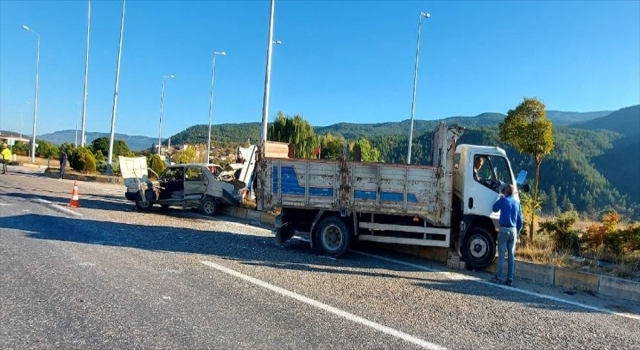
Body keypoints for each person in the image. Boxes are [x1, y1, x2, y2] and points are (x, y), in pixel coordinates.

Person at [491, 184, 523, 286]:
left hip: (504, 229)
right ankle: (510, 279)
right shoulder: (517, 203)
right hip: (513, 230)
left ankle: (499, 277)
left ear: (505, 191)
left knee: (501, 255)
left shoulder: (504, 200)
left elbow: (494, 208)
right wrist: (517, 232)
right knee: (511, 256)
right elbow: (520, 221)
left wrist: (500, 198)